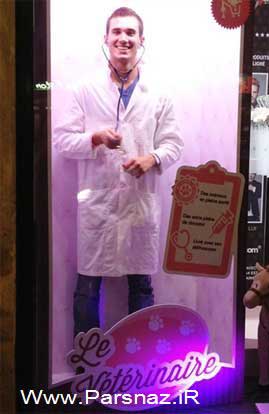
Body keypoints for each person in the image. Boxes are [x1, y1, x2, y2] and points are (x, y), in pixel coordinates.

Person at [53, 7, 184, 337]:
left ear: (141, 40)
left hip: (139, 205)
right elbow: (62, 140)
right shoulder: (85, 90)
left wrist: (152, 159)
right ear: (106, 39)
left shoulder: (158, 94)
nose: (123, 38)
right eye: (117, 32)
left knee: (141, 286)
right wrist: (95, 138)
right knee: (87, 287)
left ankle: (141, 356)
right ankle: (86, 360)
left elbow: (173, 144)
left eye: (130, 32)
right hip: (97, 206)